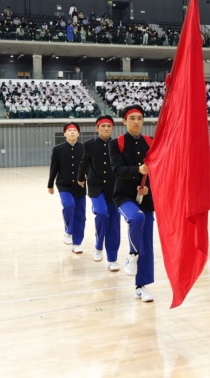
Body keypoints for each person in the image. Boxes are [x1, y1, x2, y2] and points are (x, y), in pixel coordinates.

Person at [109, 105, 155, 302]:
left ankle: (141, 286)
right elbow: (117, 169)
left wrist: (148, 187)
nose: (137, 121)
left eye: (140, 118)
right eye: (132, 118)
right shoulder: (116, 143)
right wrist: (138, 170)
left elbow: (157, 169)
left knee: (147, 242)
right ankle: (132, 254)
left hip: (146, 198)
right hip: (124, 196)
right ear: (124, 121)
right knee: (136, 218)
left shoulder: (150, 141)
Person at [78, 115, 121, 271]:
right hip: (96, 187)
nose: (106, 129)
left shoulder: (117, 144)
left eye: (109, 126)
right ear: (97, 128)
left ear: (112, 128)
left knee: (114, 223)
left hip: (114, 188)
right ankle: (98, 245)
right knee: (101, 214)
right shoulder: (89, 145)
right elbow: (84, 161)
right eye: (103, 126)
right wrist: (80, 177)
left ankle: (112, 258)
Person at [47, 122, 86, 254]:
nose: (72, 132)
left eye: (75, 130)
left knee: (80, 215)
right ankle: (68, 230)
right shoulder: (58, 149)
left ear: (78, 133)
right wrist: (50, 184)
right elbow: (54, 167)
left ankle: (77, 243)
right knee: (69, 206)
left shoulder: (84, 148)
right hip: (63, 184)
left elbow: (89, 167)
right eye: (69, 130)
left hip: (80, 186)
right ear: (65, 134)